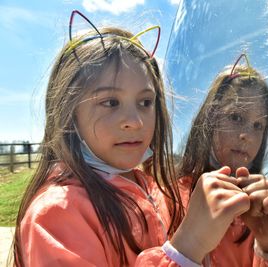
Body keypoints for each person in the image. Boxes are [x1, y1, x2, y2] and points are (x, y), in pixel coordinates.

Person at [12, 10, 188, 267]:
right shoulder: (58, 214)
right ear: (70, 115)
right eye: (110, 102)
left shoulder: (155, 189)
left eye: (145, 102)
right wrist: (185, 250)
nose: (135, 121)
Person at [173, 54, 268, 266]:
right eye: (236, 117)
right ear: (210, 119)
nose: (247, 134)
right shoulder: (171, 195)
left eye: (258, 126)